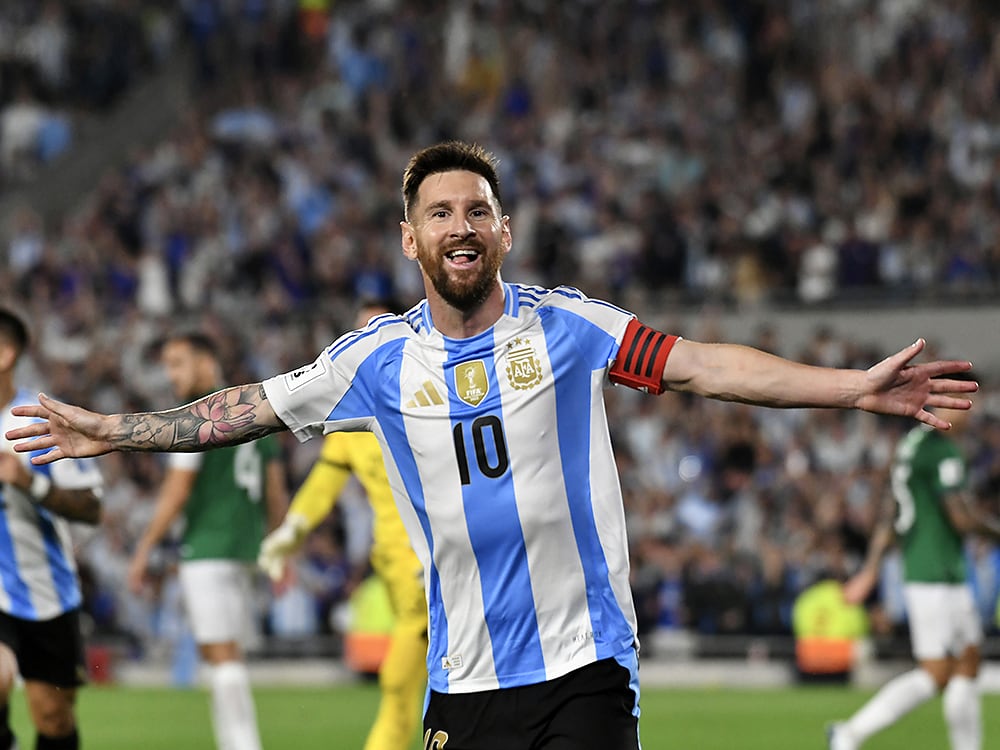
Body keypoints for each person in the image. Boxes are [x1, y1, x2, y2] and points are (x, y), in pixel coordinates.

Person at [5, 141, 978, 750]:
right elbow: (248, 407)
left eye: (476, 211)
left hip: (584, 667)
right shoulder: (376, 361)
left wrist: (851, 387)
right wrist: (112, 431)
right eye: (439, 213)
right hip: (462, 678)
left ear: (504, 232)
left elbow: (702, 365)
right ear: (409, 240)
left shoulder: (569, 327)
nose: (459, 226)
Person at [258, 299, 428, 750]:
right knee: (416, 685)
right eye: (360, 333)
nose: (367, 343)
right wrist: (293, 529)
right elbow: (324, 480)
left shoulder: (430, 400)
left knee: (408, 680)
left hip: (433, 567)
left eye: (378, 330)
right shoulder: (355, 417)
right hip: (393, 565)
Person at [126, 332, 287, 750]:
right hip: (247, 549)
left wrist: (144, 548)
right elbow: (275, 491)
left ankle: (243, 745)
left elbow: (178, 490)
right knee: (228, 654)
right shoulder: (252, 407)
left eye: (177, 363)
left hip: (207, 548)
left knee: (220, 655)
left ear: (204, 361)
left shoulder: (196, 414)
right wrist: (281, 548)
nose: (170, 374)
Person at [828, 372, 994, 750]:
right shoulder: (942, 451)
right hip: (933, 573)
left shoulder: (913, 444)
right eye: (969, 400)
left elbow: (892, 511)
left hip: (939, 569)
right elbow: (961, 518)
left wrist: (871, 569)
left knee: (968, 660)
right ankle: (849, 733)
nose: (973, 410)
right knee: (936, 673)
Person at [0, 308, 103, 750]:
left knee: (53, 718)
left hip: (44, 592)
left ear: (5, 354)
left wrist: (30, 484)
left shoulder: (39, 421)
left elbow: (91, 509)